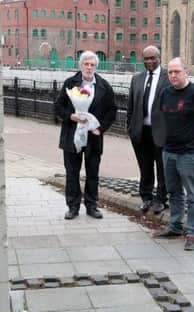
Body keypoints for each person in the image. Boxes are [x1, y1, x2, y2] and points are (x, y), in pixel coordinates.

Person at [153, 57, 194, 251]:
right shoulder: (165, 93)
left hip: (189, 154)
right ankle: (175, 226)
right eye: (170, 72)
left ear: (186, 72)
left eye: (177, 71)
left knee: (193, 195)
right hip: (169, 152)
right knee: (174, 192)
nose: (173, 75)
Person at [54, 51, 117, 220]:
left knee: (93, 173)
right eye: (86, 64)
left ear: (96, 67)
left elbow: (112, 111)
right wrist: (70, 116)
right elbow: (58, 106)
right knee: (72, 172)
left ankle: (91, 205)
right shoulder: (70, 83)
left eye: (92, 65)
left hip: (93, 137)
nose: (89, 67)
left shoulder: (104, 86)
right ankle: (73, 207)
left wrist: (100, 128)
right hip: (71, 136)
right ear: (80, 65)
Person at [126, 45, 170, 214]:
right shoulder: (137, 79)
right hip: (140, 131)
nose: (150, 61)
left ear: (159, 57)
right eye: (146, 58)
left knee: (162, 167)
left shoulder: (168, 77)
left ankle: (160, 199)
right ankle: (146, 197)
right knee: (144, 167)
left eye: (153, 58)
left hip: (160, 131)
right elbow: (130, 106)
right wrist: (131, 128)